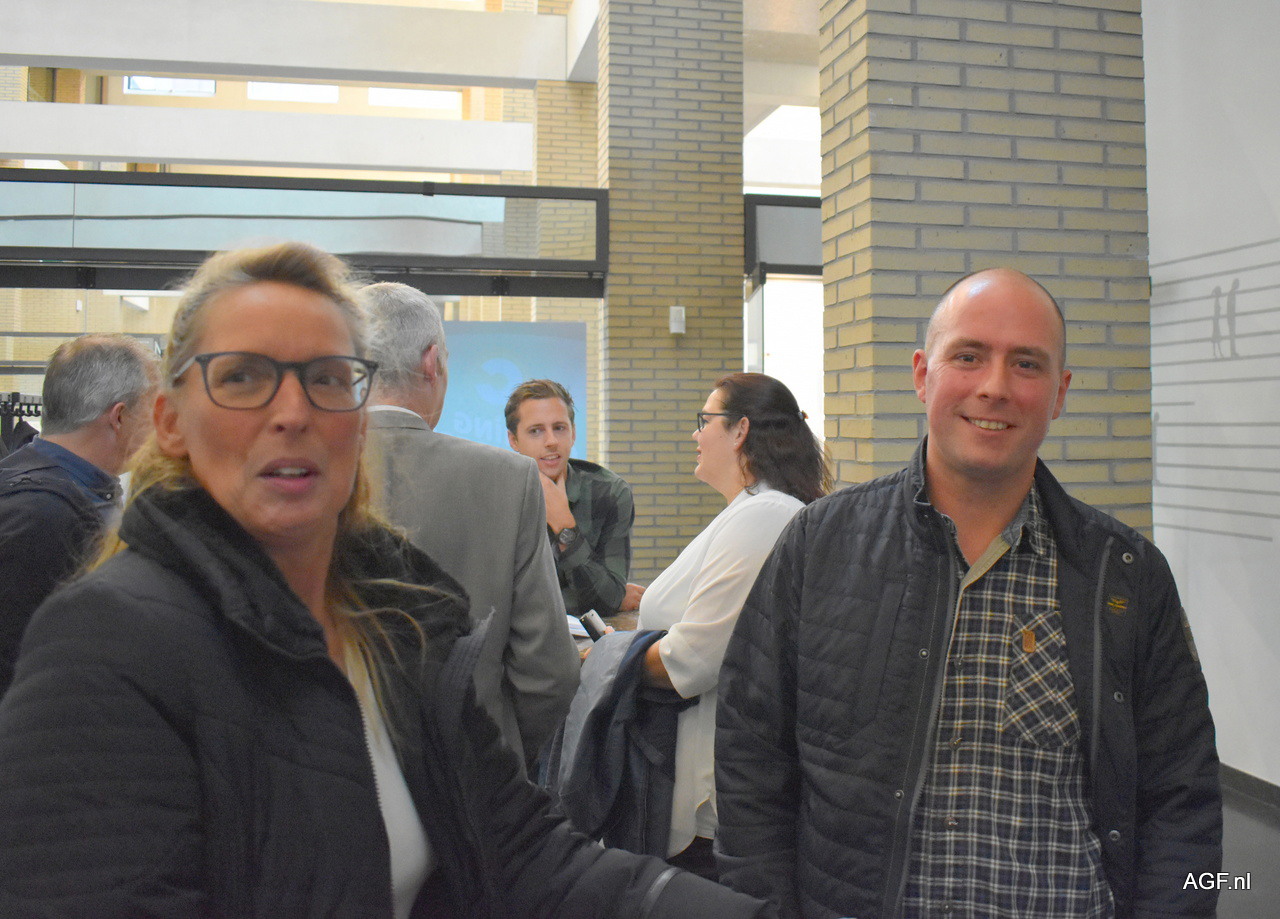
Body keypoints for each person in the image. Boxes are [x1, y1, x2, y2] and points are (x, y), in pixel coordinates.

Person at [0, 242, 774, 919]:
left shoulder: (398, 615)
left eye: (328, 378)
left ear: (361, 416)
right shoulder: (104, 646)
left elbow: (526, 855)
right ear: (171, 421)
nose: (293, 412)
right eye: (242, 378)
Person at [715, 268, 1222, 919]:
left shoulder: (1124, 575)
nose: (995, 386)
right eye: (968, 356)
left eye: (1027, 364)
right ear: (922, 374)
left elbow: (1183, 798)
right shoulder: (820, 545)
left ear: (1060, 393)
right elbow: (751, 762)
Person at [359, 281, 579, 770]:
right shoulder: (508, 479)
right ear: (432, 363)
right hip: (475, 775)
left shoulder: (297, 475)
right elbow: (549, 673)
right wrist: (500, 754)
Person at [635, 373, 828, 878]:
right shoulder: (749, 509)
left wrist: (607, 658)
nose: (695, 434)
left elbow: (691, 661)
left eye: (705, 421)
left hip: (716, 794)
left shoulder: (765, 514)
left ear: (740, 430)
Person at [0, 333, 158, 695]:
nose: (160, 426)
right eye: (154, 410)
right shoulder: (45, 517)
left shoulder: (40, 489)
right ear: (120, 417)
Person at [505, 379, 643, 619]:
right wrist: (597, 597)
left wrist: (565, 526)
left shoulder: (609, 492)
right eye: (536, 431)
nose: (551, 441)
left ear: (573, 433)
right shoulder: (495, 493)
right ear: (513, 440)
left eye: (559, 428)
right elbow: (492, 600)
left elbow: (607, 598)